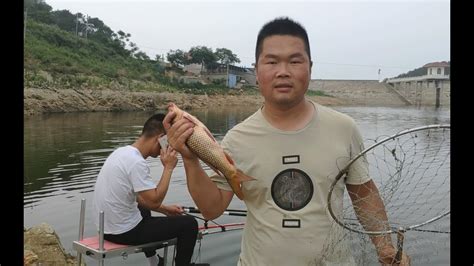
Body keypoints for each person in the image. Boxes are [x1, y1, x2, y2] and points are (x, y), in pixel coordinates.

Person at [164, 17, 410, 265]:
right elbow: (211, 209)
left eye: (294, 61)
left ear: (310, 68)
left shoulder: (343, 127)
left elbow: (363, 193)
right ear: (257, 71)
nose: (283, 71)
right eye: (271, 61)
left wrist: (384, 246)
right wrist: (190, 158)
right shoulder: (237, 138)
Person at [92, 113, 208, 266]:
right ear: (160, 137)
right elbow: (153, 201)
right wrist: (168, 168)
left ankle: (154, 262)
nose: (169, 147)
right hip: (123, 232)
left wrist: (165, 210)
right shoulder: (136, 162)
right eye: (168, 142)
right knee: (189, 224)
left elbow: (141, 198)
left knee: (141, 207)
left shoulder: (121, 153)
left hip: (105, 229)